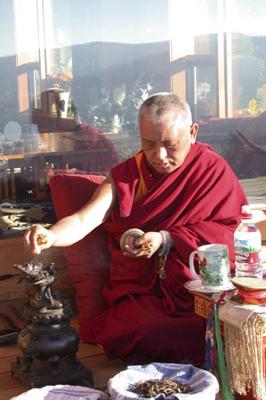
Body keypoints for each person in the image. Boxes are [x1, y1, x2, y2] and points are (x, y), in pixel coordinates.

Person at [25, 92, 247, 365]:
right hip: (145, 294)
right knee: (143, 326)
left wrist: (167, 239)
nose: (159, 155)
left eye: (170, 144)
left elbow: (231, 232)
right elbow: (84, 220)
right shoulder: (127, 176)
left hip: (199, 290)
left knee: (223, 321)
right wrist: (51, 235)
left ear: (192, 132)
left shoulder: (212, 170)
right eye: (148, 144)